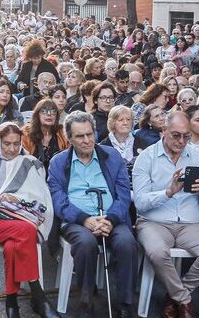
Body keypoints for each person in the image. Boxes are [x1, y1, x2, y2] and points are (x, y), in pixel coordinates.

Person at [47, 112, 139, 318]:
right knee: (86, 243)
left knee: (127, 242)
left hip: (111, 218)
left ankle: (126, 302)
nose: (87, 140)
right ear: (69, 138)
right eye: (80, 136)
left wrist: (111, 219)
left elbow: (123, 192)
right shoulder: (58, 162)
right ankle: (86, 298)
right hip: (76, 220)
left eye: (90, 134)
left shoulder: (112, 156)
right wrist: (84, 220)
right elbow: (58, 201)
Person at [132, 110, 199, 318]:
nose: (182, 141)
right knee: (156, 251)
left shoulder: (198, 156)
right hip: (153, 221)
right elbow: (141, 203)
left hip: (190, 223)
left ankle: (176, 295)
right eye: (176, 135)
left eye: (186, 136)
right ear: (163, 131)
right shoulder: (146, 158)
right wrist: (168, 192)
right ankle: (184, 300)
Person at [0, 122, 57, 318]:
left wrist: (19, 198)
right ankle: (37, 295)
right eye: (7, 143)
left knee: (13, 245)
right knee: (27, 231)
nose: (12, 149)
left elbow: (38, 195)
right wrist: (3, 196)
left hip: (18, 215)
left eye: (16, 144)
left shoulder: (27, 162)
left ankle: (11, 300)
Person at [21, 98, 68, 171]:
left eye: (53, 111)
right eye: (44, 111)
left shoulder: (62, 133)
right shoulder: (26, 133)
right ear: (37, 114)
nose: (49, 114)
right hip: (32, 175)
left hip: (57, 176)